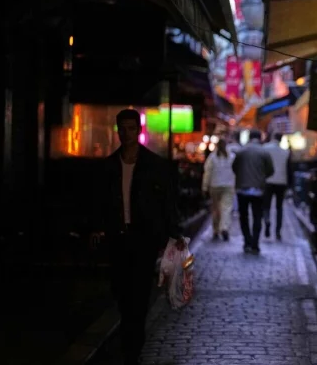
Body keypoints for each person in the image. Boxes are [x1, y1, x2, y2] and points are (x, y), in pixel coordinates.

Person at [94, 109, 184, 365]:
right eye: (122, 128)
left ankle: (132, 346)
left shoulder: (155, 167)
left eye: (131, 128)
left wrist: (172, 233)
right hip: (118, 237)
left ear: (139, 131)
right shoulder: (110, 166)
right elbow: (100, 201)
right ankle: (130, 336)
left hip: (143, 238)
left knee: (140, 294)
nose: (126, 134)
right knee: (122, 293)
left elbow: (166, 203)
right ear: (117, 131)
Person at [232, 129, 274, 253]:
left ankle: (247, 241)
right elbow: (271, 170)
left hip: (242, 188)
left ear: (249, 137)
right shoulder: (264, 152)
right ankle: (255, 243)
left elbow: (234, 167)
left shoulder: (241, 151)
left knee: (243, 216)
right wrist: (261, 177)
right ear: (260, 137)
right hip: (258, 189)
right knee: (257, 216)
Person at [202, 140, 236, 241]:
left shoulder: (212, 157)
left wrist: (204, 187)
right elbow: (236, 172)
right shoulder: (232, 157)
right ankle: (224, 227)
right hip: (229, 185)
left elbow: (207, 173)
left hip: (215, 185)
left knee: (216, 209)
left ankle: (216, 230)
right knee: (226, 208)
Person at [262, 132, 293, 241]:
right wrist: (290, 185)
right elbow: (289, 170)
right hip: (281, 182)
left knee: (266, 205)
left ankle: (267, 220)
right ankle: (278, 231)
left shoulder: (265, 148)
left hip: (268, 181)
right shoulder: (286, 152)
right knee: (279, 208)